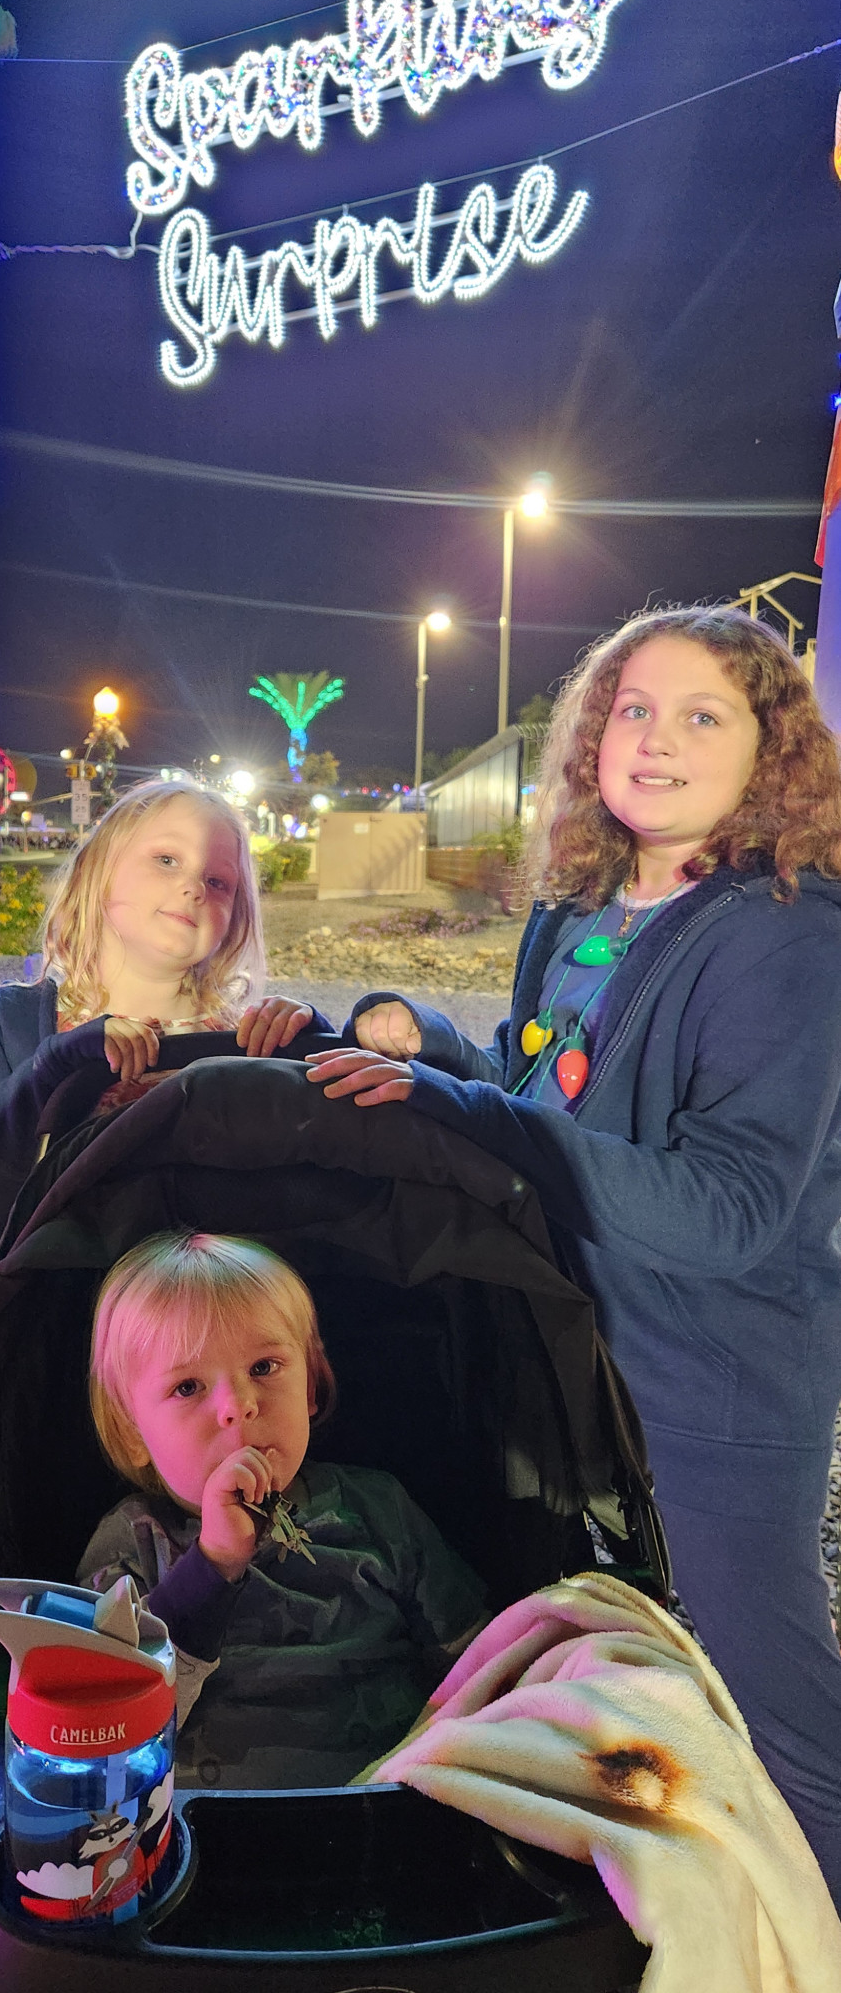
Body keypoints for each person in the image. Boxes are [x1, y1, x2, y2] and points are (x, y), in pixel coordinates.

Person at [305, 603, 841, 1909]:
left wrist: (474, 1112)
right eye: (632, 708)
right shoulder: (584, 912)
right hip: (570, 1359)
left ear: (769, 748)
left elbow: (728, 1210)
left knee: (771, 1699)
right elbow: (532, 1092)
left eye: (702, 714)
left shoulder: (788, 936)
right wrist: (426, 1042)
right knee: (608, 1669)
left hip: (713, 1386)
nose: (654, 739)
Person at [77, 1230, 488, 1789]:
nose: (238, 1405)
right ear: (133, 1433)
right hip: (210, 1826)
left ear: (311, 1386)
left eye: (264, 1367)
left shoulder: (377, 1509)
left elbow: (480, 1663)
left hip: (391, 1801)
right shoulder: (133, 1543)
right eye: (189, 1387)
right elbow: (104, 1731)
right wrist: (212, 1565)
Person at [0, 777, 329, 1257]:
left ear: (236, 916)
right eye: (166, 860)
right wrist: (49, 1069)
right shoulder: (6, 1024)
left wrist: (311, 1041)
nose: (193, 888)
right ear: (97, 869)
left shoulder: (250, 1039)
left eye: (218, 882)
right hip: (53, 1302)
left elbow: (319, 1199)